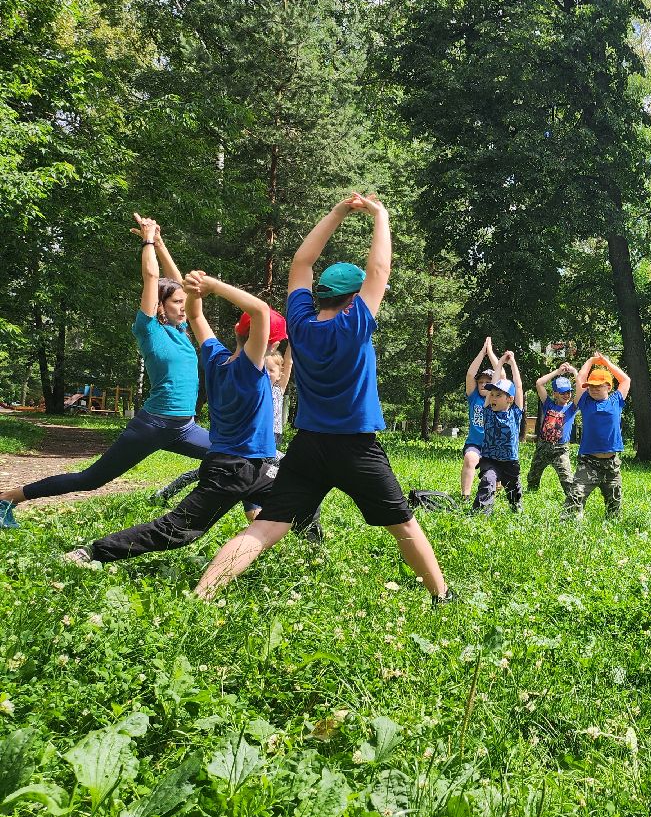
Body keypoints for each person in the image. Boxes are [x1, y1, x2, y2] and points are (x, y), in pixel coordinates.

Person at [195, 194, 451, 604]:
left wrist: (336, 212)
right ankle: (441, 595)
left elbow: (301, 264)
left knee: (267, 526)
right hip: (356, 448)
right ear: (353, 298)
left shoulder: (299, 322)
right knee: (402, 523)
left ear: (323, 295)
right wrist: (380, 215)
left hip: (308, 446)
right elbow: (380, 267)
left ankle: (202, 595)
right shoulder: (355, 326)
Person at [0, 215, 209, 528]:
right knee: (90, 479)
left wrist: (161, 241)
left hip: (184, 427)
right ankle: (7, 498)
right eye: (177, 302)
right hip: (152, 426)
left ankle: (256, 513)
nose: (184, 306)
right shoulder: (149, 330)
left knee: (233, 454)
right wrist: (148, 241)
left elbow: (173, 278)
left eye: (184, 301)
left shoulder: (181, 331)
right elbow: (153, 278)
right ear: (160, 307)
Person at [65, 272, 283, 564]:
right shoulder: (249, 370)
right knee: (178, 530)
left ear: (235, 330)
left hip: (248, 466)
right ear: (271, 344)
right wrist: (214, 286)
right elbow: (258, 311)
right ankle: (93, 552)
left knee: (298, 497)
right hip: (232, 470)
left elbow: (195, 314)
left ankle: (311, 547)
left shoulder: (216, 358)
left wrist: (194, 291)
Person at [152, 314, 293, 505]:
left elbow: (289, 361)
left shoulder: (278, 388)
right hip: (248, 444)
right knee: (205, 473)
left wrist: (294, 337)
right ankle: (167, 491)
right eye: (265, 368)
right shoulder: (251, 380)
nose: (267, 373)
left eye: (272, 371)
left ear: (280, 374)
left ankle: (258, 509)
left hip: (269, 442)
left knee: (248, 476)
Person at [569, 353, 631, 517]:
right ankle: (571, 528)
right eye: (591, 386)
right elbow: (580, 379)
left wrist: (607, 363)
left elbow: (626, 380)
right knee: (574, 498)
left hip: (612, 465)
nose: (594, 389)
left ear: (608, 387)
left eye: (598, 386)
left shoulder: (616, 400)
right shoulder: (585, 402)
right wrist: (590, 360)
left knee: (614, 509)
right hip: (589, 463)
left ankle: (611, 532)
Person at [472, 345, 525, 516]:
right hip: (490, 459)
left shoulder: (515, 413)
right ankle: (482, 514)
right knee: (487, 481)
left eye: (498, 395)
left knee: (513, 491)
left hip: (510, 461)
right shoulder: (488, 411)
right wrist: (500, 362)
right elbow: (494, 383)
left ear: (509, 399)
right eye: (492, 395)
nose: (493, 398)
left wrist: (513, 363)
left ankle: (516, 510)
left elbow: (518, 386)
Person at [530, 362, 580, 501]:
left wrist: (575, 372)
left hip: (561, 449)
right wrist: (557, 372)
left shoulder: (571, 408)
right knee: (533, 475)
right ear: (555, 393)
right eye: (563, 392)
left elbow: (581, 390)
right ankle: (532, 498)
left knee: (567, 479)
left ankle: (572, 502)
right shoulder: (548, 404)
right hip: (543, 446)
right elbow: (539, 383)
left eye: (569, 392)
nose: (567, 395)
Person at [460, 340, 496, 502]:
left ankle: (496, 492)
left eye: (488, 382)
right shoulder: (474, 397)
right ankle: (465, 496)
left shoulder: (496, 399)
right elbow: (469, 374)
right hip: (474, 444)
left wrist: (492, 353)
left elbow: (501, 375)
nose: (483, 384)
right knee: (470, 459)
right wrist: (483, 352)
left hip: (494, 445)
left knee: (495, 477)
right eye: (480, 382)